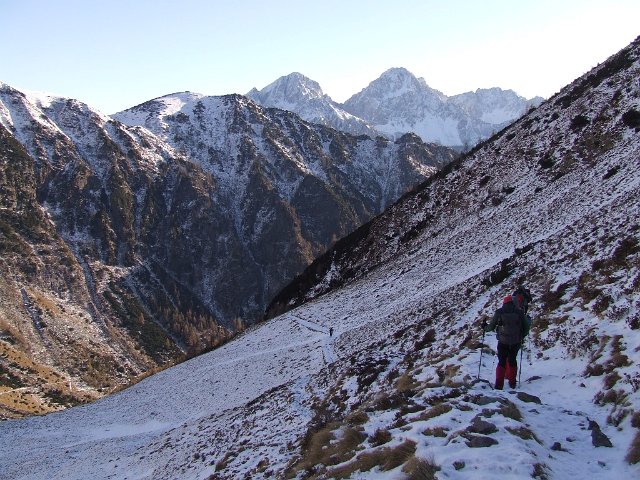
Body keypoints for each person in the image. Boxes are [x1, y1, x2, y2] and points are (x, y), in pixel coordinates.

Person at [484, 295, 528, 389]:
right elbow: (526, 327)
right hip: (516, 342)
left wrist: (485, 327)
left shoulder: (499, 312)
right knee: (512, 361)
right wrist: (522, 336)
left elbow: (491, 327)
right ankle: (512, 383)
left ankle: (499, 385)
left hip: (503, 341)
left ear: (504, 302)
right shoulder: (519, 312)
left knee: (501, 362)